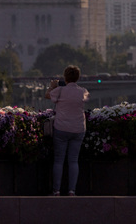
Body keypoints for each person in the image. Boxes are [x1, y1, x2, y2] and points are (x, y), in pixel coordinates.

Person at [45, 65, 89, 196]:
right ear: (78, 77)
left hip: (61, 127)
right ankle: (72, 190)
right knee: (73, 160)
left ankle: (56, 190)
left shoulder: (59, 90)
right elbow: (86, 98)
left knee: (59, 160)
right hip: (78, 128)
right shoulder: (83, 91)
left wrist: (53, 86)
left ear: (65, 77)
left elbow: (47, 95)